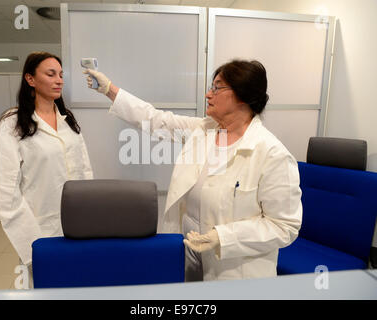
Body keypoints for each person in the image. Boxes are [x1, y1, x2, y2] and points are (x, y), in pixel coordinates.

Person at [84, 59, 302, 281]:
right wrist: (109, 89)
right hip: (189, 252)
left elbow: (284, 226)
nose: (208, 94)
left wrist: (223, 237)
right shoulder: (204, 130)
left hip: (234, 269)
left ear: (243, 95)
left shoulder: (272, 154)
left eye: (217, 88)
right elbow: (156, 119)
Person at [0, 52, 93, 281]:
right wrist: (33, 248)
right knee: (45, 289)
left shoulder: (68, 121)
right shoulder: (12, 124)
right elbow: (8, 194)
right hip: (39, 229)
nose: (59, 80)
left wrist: (90, 220)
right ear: (30, 79)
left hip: (78, 227)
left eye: (61, 75)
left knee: (78, 287)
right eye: (50, 74)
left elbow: (85, 172)